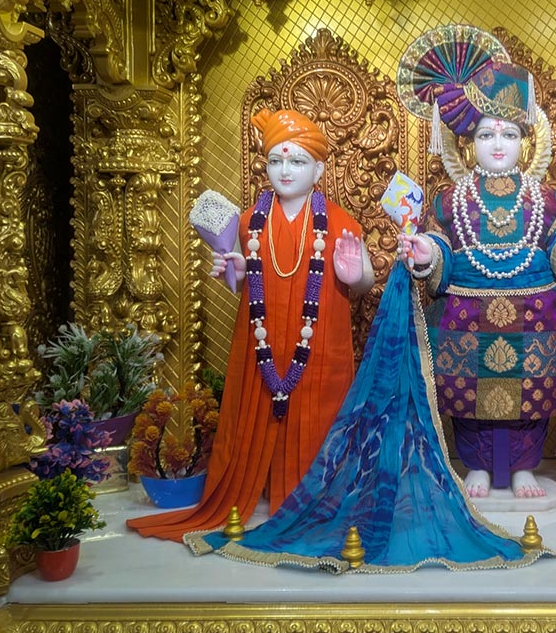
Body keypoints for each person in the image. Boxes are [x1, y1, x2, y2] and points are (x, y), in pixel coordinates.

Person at [396, 25, 556, 499]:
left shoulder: (546, 199)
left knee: (533, 394)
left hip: (534, 313)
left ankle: (527, 464)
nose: (498, 143)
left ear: (527, 141)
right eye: (487, 133)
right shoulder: (449, 200)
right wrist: (427, 254)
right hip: (464, 314)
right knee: (467, 397)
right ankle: (477, 466)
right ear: (467, 143)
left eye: (509, 132)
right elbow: (441, 245)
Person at [128, 108, 374, 542]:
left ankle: (309, 495)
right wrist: (235, 270)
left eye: (297, 161)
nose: (285, 170)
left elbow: (363, 283)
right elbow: (243, 286)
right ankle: (256, 487)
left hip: (318, 348)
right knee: (259, 407)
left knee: (318, 413)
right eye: (276, 160)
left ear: (319, 168)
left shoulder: (340, 223)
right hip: (261, 348)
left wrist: (357, 276)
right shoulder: (247, 222)